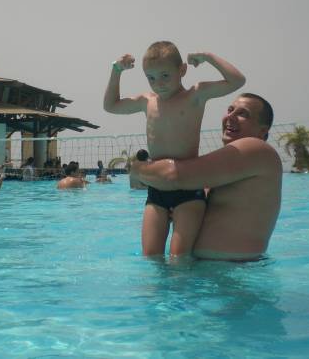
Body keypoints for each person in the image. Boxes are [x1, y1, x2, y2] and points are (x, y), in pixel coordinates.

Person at [104, 41, 246, 257]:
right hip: (157, 190)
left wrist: (207, 56)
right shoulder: (147, 101)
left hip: (188, 189)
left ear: (182, 70)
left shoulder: (195, 95)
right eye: (151, 78)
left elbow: (237, 81)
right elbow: (110, 106)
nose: (158, 83)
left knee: (179, 258)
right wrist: (116, 70)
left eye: (165, 75)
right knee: (151, 256)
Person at [131, 93, 282, 261]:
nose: (230, 116)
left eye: (242, 114)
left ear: (262, 131)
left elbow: (173, 175)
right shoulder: (221, 171)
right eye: (230, 110)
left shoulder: (258, 149)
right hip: (207, 269)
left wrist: (137, 169)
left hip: (236, 270)